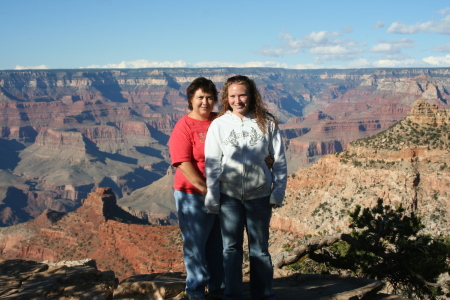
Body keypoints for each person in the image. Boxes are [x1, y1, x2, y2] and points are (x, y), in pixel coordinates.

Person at [205, 75, 287, 300]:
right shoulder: (219, 125)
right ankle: (233, 295)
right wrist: (212, 196)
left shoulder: (267, 123)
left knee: (259, 249)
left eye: (242, 94)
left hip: (259, 195)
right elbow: (212, 163)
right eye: (232, 96)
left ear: (251, 95)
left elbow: (279, 160)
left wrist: (277, 192)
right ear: (226, 97)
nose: (237, 100)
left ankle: (263, 295)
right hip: (228, 195)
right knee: (230, 249)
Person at [168, 77, 224, 300]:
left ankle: (219, 290)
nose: (205, 102)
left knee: (218, 246)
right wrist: (205, 189)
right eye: (200, 97)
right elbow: (182, 162)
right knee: (195, 246)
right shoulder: (184, 125)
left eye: (210, 97)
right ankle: (196, 291)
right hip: (193, 194)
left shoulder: (219, 121)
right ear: (190, 100)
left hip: (220, 192)